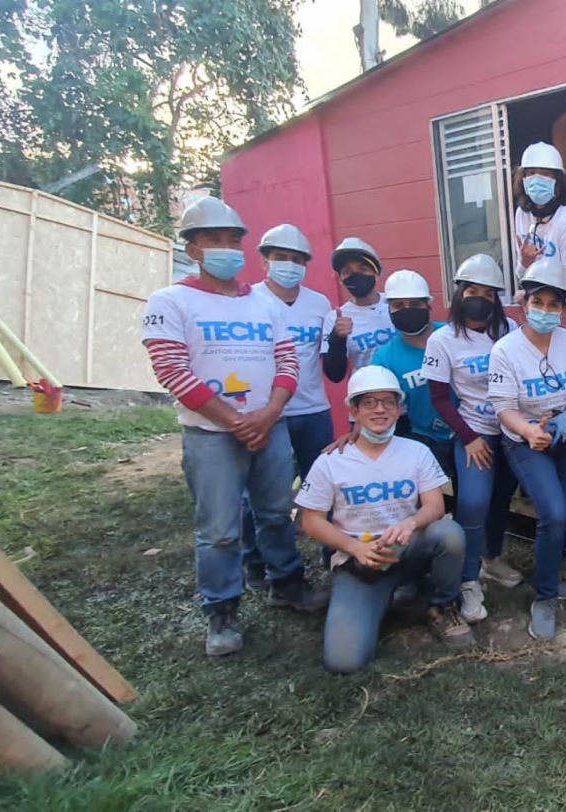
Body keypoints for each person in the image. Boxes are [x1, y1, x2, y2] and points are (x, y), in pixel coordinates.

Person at [141, 198, 327, 657]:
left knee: (275, 511)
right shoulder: (171, 302)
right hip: (210, 434)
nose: (225, 248)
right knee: (219, 528)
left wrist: (268, 414)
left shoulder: (261, 305)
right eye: (213, 240)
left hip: (270, 424)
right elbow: (171, 371)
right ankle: (222, 610)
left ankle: (287, 583)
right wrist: (235, 421)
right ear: (194, 247)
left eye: (232, 240)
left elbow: (287, 360)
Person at [297, 366, 473, 673]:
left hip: (406, 546)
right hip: (361, 561)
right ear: (353, 409)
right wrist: (355, 549)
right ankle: (394, 597)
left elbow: (434, 505)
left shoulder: (416, 452)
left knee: (450, 533)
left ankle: (442, 605)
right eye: (369, 402)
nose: (380, 409)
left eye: (388, 402)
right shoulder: (330, 462)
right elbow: (311, 521)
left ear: (398, 408)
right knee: (344, 661)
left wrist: (410, 523)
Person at [488, 257, 566, 641]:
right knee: (554, 513)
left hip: (562, 436)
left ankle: (548, 570)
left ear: (563, 307)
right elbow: (503, 408)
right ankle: (544, 596)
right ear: (524, 303)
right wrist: (528, 432)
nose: (546, 311)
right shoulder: (506, 350)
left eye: (554, 304)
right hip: (524, 442)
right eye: (538, 302)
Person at [422, 254, 523, 624]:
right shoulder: (443, 339)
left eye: (488, 292)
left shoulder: (509, 330)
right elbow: (438, 397)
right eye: (472, 290)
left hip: (510, 432)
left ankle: (492, 559)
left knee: (500, 500)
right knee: (474, 504)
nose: (479, 297)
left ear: (497, 297)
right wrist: (467, 438)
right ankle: (467, 579)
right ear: (459, 293)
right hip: (473, 433)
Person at [240, 224, 335, 590]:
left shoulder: (319, 304)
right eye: (281, 258)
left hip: (313, 410)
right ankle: (255, 560)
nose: (289, 265)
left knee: (325, 487)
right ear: (264, 260)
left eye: (297, 260)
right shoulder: (250, 302)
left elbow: (328, 360)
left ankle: (331, 553)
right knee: (267, 495)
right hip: (271, 413)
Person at [369, 270, 457, 485]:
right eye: (398, 306)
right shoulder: (384, 359)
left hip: (470, 429)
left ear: (428, 306)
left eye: (414, 304)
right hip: (424, 439)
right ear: (389, 310)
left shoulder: (454, 336)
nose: (407, 310)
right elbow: (376, 405)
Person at [321, 236, 396, 383]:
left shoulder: (396, 302)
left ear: (376, 273)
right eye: (347, 271)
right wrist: (337, 339)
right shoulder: (335, 318)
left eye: (363, 268)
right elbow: (335, 375)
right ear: (341, 279)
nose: (356, 275)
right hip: (371, 396)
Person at [513, 141, 566, 299]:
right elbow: (520, 277)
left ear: (557, 181)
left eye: (544, 173)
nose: (537, 178)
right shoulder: (522, 213)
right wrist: (525, 262)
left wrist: (531, 296)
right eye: (531, 173)